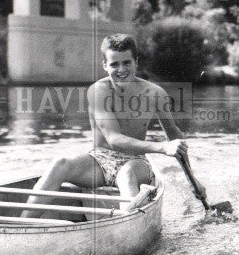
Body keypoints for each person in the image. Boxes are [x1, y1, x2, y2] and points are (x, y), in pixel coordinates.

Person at [21, 33, 203, 217]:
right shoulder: (98, 91)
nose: (121, 69)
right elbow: (114, 139)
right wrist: (163, 147)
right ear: (105, 65)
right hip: (100, 160)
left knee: (126, 174)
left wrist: (193, 179)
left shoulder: (155, 93)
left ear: (136, 62)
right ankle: (21, 227)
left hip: (135, 162)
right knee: (59, 164)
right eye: (114, 64)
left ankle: (127, 226)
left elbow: (174, 134)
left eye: (127, 62)